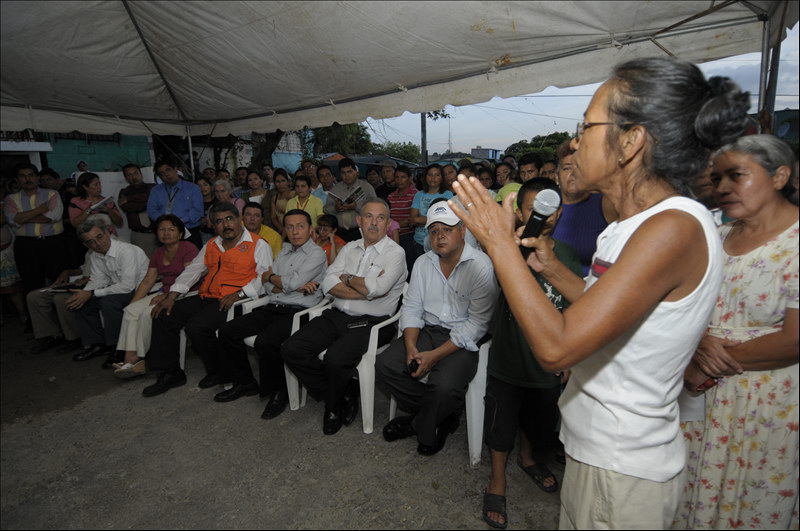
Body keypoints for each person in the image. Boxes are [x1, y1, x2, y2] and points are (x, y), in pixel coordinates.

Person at [449, 56, 749, 529]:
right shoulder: (629, 225)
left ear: (630, 141)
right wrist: (549, 267)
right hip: (597, 452)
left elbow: (558, 347)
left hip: (623, 467)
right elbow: (601, 307)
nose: (574, 140)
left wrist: (499, 244)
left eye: (586, 125)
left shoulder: (674, 227)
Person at [674, 135, 799, 530]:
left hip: (764, 404)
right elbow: (680, 303)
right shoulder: (716, 234)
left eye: (736, 176)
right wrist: (694, 342)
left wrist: (703, 368)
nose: (722, 187)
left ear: (780, 175)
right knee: (690, 495)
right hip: (699, 400)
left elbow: (793, 340)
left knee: (748, 502)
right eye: (716, 178)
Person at [482, 179, 582, 529]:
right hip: (508, 359)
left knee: (538, 421)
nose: (544, 215)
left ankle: (527, 459)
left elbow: (575, 303)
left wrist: (571, 356)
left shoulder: (566, 254)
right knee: (500, 423)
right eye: (533, 208)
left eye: (550, 208)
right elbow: (500, 278)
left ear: (560, 212)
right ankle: (497, 480)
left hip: (547, 364)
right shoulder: (508, 251)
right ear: (521, 212)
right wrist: (508, 247)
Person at [377, 202, 497, 456]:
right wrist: (411, 347)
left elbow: (477, 324)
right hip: (427, 331)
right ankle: (442, 413)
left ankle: (420, 422)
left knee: (444, 385)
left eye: (447, 229)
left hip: (463, 338)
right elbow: (411, 308)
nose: (439, 236)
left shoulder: (481, 266)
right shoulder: (423, 263)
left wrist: (434, 356)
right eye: (433, 231)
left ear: (463, 230)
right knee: (386, 365)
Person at [282, 200, 406, 435]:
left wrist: (347, 279)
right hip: (336, 314)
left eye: (381, 218)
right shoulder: (349, 248)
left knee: (335, 359)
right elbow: (329, 282)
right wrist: (361, 288)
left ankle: (332, 407)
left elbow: (378, 290)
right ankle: (342, 391)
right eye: (368, 216)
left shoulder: (395, 253)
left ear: (388, 223)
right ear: (359, 220)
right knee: (291, 349)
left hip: (373, 323)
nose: (373, 223)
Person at [142, 202, 271, 397]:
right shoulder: (212, 244)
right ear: (212, 225)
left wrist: (239, 294)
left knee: (198, 327)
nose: (225, 224)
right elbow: (193, 270)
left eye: (229, 219)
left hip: (237, 299)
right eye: (219, 221)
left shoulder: (258, 244)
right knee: (164, 314)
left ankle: (225, 374)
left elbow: (263, 278)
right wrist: (172, 295)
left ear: (239, 220)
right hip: (207, 296)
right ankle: (171, 372)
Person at [216, 209, 328, 413]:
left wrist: (279, 280)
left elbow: (283, 280)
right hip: (272, 306)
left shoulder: (317, 253)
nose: (295, 232)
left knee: (266, 342)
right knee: (227, 331)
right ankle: (245, 381)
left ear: (310, 229)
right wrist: (288, 284)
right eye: (290, 227)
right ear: (284, 230)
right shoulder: (283, 251)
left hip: (298, 312)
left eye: (300, 226)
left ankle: (280, 391)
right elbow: (266, 284)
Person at [112, 214, 199, 378]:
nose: (166, 233)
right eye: (162, 229)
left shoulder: (188, 248)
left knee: (148, 313)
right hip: (163, 292)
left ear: (180, 233)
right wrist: (133, 303)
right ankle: (129, 359)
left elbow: (189, 278)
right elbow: (148, 281)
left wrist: (167, 295)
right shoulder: (158, 252)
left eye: (171, 229)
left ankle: (138, 359)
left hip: (185, 293)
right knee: (131, 311)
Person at [68, 217, 149, 368]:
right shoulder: (95, 255)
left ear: (108, 232)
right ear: (85, 244)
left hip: (139, 290)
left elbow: (127, 286)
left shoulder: (126, 250)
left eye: (99, 236)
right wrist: (84, 294)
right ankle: (97, 344)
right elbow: (97, 280)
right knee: (82, 302)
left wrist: (92, 293)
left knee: (108, 302)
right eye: (91, 242)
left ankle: (118, 348)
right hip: (118, 289)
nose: (98, 244)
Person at [552, 140, 618, 277]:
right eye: (567, 168)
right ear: (556, 177)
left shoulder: (605, 204)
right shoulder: (546, 206)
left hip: (591, 291)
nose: (573, 173)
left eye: (579, 167)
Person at [3, 163, 69, 299]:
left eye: (31, 175)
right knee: (30, 283)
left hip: (53, 243)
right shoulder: (11, 199)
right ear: (17, 179)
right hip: (26, 246)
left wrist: (22, 217)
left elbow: (54, 217)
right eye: (22, 176)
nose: (27, 179)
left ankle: (63, 316)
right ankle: (35, 318)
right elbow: (11, 219)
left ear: (37, 178)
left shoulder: (52, 194)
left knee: (60, 281)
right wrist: (39, 210)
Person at [147, 159, 204, 249]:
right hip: (165, 233)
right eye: (161, 173)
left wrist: (179, 222)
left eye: (168, 170)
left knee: (193, 260)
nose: (166, 174)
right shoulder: (156, 191)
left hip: (188, 231)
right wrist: (167, 223)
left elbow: (198, 210)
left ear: (175, 169)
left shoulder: (192, 188)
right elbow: (152, 211)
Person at [323, 158, 378, 242]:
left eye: (349, 172)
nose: (347, 176)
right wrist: (336, 208)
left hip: (360, 231)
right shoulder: (335, 189)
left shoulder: (367, 188)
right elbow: (326, 209)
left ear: (356, 171)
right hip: (339, 232)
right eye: (343, 173)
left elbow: (375, 210)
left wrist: (355, 207)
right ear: (340, 174)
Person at [409, 164, 453, 264]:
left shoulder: (447, 194)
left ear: (442, 177)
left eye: (437, 175)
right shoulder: (419, 194)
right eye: (429, 175)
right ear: (425, 177)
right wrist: (430, 220)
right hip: (419, 242)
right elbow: (412, 219)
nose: (433, 178)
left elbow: (443, 220)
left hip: (440, 241)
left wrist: (419, 220)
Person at [118, 164, 156, 256]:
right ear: (126, 178)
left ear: (141, 174)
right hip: (139, 234)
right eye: (129, 175)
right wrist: (149, 203)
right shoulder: (124, 192)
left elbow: (156, 201)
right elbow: (127, 207)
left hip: (158, 231)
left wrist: (130, 199)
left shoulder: (153, 187)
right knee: (144, 264)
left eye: (135, 173)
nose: (133, 177)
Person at [387, 165, 419, 274]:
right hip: (391, 237)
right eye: (397, 177)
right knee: (394, 268)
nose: (399, 180)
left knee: (409, 268)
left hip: (409, 237)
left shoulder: (416, 195)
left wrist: (393, 226)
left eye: (403, 177)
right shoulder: (391, 196)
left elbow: (411, 220)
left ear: (410, 178)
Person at [270, 169, 295, 234]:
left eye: (283, 181)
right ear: (274, 183)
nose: (280, 184)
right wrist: (281, 229)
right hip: (281, 231)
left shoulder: (294, 195)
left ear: (288, 182)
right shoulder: (274, 198)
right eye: (277, 181)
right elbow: (273, 218)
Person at [195, 175, 217, 245]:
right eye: (199, 186)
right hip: (203, 234)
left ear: (210, 186)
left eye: (205, 185)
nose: (202, 188)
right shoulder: (195, 203)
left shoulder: (218, 200)